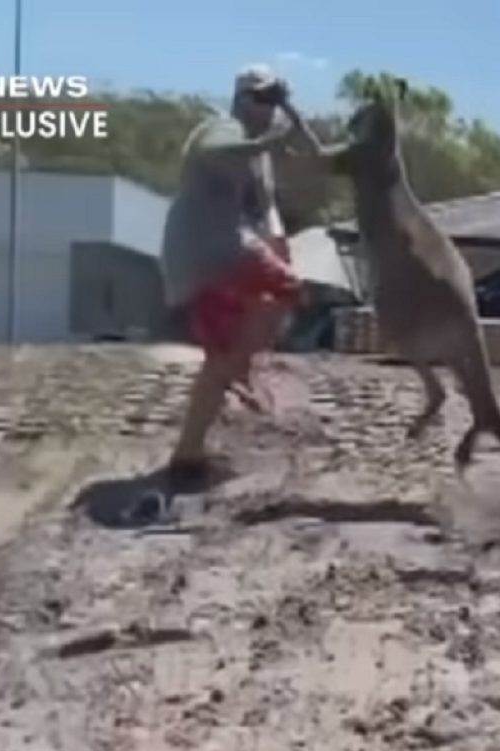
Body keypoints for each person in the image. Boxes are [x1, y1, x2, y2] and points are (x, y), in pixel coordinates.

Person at [159, 64, 327, 490]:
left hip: (226, 251)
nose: (267, 108)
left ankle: (188, 453)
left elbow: (299, 165)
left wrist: (287, 106)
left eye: (271, 99)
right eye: (260, 98)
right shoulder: (223, 128)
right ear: (239, 99)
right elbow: (220, 153)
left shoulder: (259, 151)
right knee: (289, 294)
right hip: (208, 250)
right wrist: (271, 137)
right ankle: (237, 366)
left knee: (225, 355)